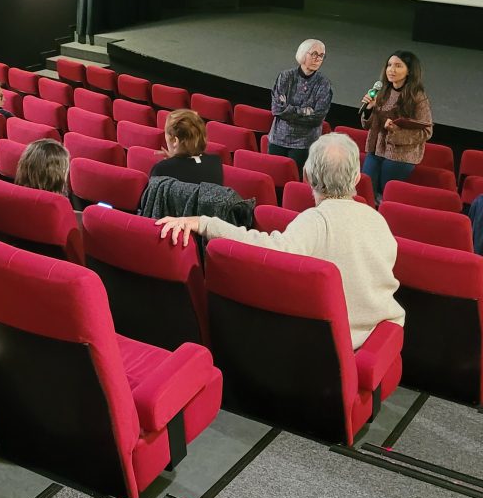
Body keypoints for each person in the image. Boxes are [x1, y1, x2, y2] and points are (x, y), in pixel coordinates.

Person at [158, 133, 404, 348]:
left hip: (336, 340)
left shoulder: (316, 221)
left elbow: (268, 250)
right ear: (357, 179)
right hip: (379, 334)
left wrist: (205, 222)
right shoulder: (377, 220)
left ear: (306, 176)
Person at [359, 50, 433, 202]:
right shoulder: (381, 91)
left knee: (384, 196)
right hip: (376, 149)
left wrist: (396, 131)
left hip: (401, 155)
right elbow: (369, 125)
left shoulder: (417, 96)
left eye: (398, 66)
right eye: (389, 65)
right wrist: (369, 110)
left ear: (409, 71)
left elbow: (426, 131)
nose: (391, 70)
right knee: (364, 191)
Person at [268, 39, 333, 169]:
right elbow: (276, 109)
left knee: (294, 181)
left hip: (304, 143)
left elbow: (317, 118)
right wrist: (305, 111)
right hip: (278, 138)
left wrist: (289, 109)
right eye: (314, 54)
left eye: (321, 56)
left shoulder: (324, 84)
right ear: (303, 54)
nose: (318, 59)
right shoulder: (285, 76)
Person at [150, 109, 223, 186]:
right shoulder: (215, 162)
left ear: (175, 140)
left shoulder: (161, 170)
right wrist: (174, 160)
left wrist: (171, 162)